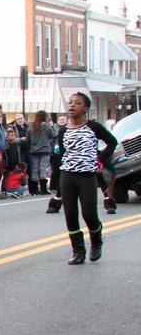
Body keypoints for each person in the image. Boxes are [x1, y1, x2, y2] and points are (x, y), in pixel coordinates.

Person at [57, 92, 116, 264]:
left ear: (86, 108)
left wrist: (100, 160)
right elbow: (62, 153)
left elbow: (112, 142)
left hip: (87, 176)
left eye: (77, 103)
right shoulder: (63, 131)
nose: (72, 106)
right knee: (70, 214)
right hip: (67, 175)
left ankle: (96, 241)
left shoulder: (93, 127)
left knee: (89, 214)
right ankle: (78, 251)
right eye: (70, 103)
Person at [26, 110, 55, 196]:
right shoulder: (46, 126)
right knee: (42, 169)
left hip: (34, 150)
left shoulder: (31, 126)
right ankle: (43, 189)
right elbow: (52, 135)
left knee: (35, 169)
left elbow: (28, 139)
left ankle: (34, 189)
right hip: (45, 150)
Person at [46, 114, 67, 213]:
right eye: (61, 119)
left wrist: (100, 158)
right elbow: (52, 139)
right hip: (56, 152)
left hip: (80, 163)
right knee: (59, 172)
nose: (62, 121)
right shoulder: (56, 129)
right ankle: (57, 198)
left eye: (64, 119)